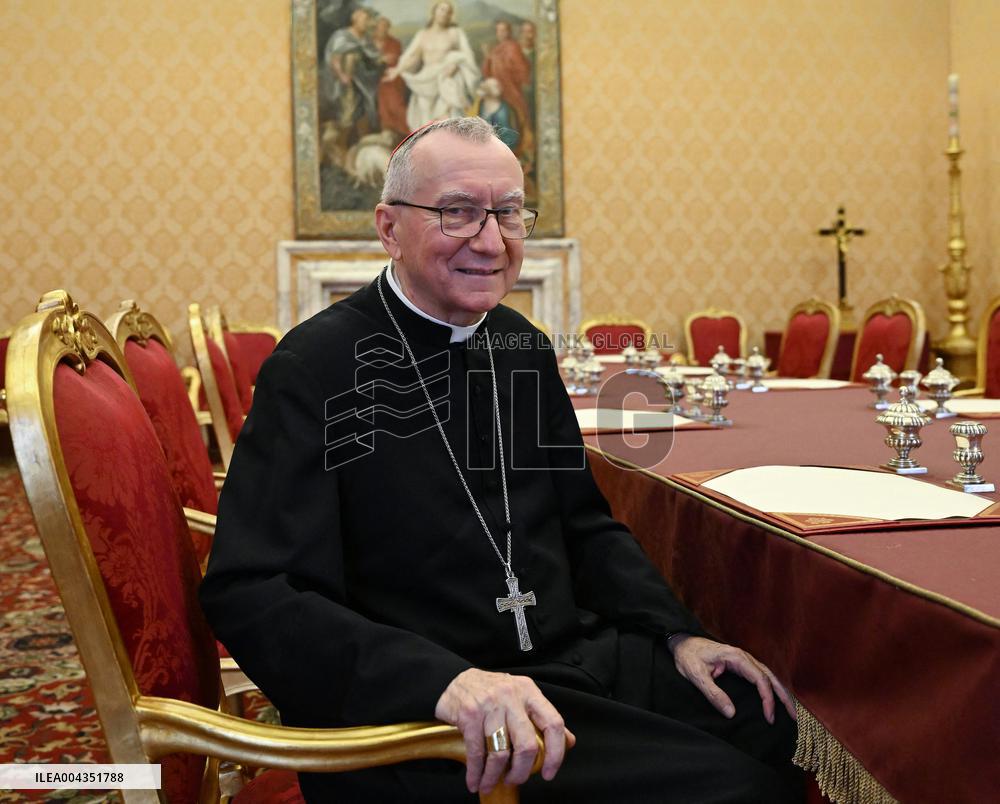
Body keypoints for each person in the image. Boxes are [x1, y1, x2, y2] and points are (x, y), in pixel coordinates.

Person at [200, 117, 803, 802]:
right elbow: (254, 589)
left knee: (772, 723)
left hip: (569, 663)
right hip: (431, 717)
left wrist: (674, 634)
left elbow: (584, 525)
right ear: (390, 228)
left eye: (509, 213)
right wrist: (443, 682)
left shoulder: (522, 346)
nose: (490, 242)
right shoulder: (315, 366)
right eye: (457, 212)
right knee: (731, 789)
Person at [384, 1, 479, 130]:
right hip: (426, 80)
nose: (445, 14)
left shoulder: (455, 33)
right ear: (434, 12)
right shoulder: (423, 34)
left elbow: (466, 56)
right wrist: (397, 70)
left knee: (446, 120)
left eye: (448, 12)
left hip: (445, 79)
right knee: (426, 121)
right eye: (442, 10)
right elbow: (413, 57)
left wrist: (456, 65)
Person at [322, 7, 382, 150]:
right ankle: (340, 147)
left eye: (369, 20)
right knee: (348, 115)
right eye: (365, 20)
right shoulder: (342, 36)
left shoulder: (366, 39)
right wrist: (342, 76)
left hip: (364, 83)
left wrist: (380, 59)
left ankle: (361, 146)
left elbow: (373, 58)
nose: (368, 23)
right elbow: (335, 59)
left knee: (364, 115)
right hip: (347, 84)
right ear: (355, 19)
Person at [481, 19, 533, 152]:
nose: (501, 33)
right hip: (496, 94)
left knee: (509, 122)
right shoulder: (496, 49)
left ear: (509, 32)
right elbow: (487, 73)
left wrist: (496, 61)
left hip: (511, 91)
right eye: (498, 30)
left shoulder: (513, 47)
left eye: (503, 30)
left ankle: (512, 151)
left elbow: (522, 70)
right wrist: (488, 57)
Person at [372, 15, 408, 140]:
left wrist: (381, 60)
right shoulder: (368, 42)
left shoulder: (394, 42)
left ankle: (405, 130)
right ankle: (387, 129)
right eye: (381, 26)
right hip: (371, 78)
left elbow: (393, 59)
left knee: (394, 104)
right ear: (376, 27)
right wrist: (380, 60)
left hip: (391, 77)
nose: (383, 29)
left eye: (386, 27)